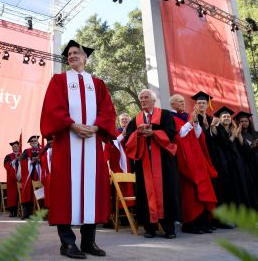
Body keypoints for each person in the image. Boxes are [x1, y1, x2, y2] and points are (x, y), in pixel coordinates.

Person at [40, 40, 116, 259]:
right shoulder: (59, 80)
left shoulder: (97, 83)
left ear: (85, 57)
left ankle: (89, 242)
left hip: (92, 145)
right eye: (69, 54)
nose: (72, 55)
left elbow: (108, 110)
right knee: (65, 191)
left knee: (91, 192)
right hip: (67, 144)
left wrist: (96, 126)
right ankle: (67, 243)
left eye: (77, 53)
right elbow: (53, 108)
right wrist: (72, 125)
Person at [124, 89, 180, 239]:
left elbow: (172, 134)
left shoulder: (165, 115)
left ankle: (169, 228)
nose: (143, 100)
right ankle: (149, 228)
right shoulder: (135, 120)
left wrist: (154, 133)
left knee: (167, 192)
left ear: (153, 100)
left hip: (163, 162)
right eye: (141, 98)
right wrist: (138, 133)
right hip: (144, 162)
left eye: (146, 97)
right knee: (144, 194)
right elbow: (127, 139)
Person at [169, 94, 217, 234]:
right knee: (190, 192)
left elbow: (197, 136)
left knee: (202, 189)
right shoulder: (170, 117)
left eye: (184, 101)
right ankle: (190, 224)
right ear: (172, 104)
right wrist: (190, 122)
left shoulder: (187, 116)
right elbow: (178, 136)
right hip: (184, 159)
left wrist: (195, 124)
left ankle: (203, 222)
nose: (183, 104)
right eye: (180, 102)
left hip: (197, 157)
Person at [210, 107, 258, 211]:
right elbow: (225, 145)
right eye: (224, 117)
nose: (227, 118)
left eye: (228, 116)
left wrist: (238, 134)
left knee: (242, 186)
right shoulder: (218, 130)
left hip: (238, 162)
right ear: (220, 118)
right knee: (233, 188)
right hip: (227, 164)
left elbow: (241, 146)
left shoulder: (233, 129)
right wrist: (233, 135)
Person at [234, 111, 258, 215]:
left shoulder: (256, 133)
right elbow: (241, 150)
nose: (244, 123)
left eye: (246, 121)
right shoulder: (238, 135)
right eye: (241, 121)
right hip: (248, 164)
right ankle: (256, 211)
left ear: (249, 122)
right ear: (239, 123)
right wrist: (254, 147)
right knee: (253, 188)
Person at [19, 135, 42, 219]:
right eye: (31, 141)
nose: (33, 142)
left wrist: (40, 161)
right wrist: (30, 161)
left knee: (40, 193)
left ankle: (40, 213)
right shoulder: (26, 151)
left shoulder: (42, 150)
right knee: (27, 193)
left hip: (38, 174)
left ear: (37, 141)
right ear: (30, 143)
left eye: (35, 140)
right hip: (29, 175)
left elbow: (46, 160)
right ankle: (27, 214)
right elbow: (23, 161)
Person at [3, 141, 21, 217]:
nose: (16, 147)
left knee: (19, 194)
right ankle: (11, 211)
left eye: (17, 146)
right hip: (11, 179)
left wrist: (19, 160)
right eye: (14, 146)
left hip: (20, 178)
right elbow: (6, 166)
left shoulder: (23, 155)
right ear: (12, 148)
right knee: (12, 195)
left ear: (19, 147)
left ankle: (19, 211)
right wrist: (14, 160)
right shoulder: (8, 156)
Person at [40, 137, 53, 208]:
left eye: (52, 142)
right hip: (48, 176)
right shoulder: (44, 152)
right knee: (48, 194)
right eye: (50, 142)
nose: (51, 144)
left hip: (56, 176)